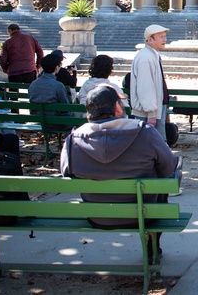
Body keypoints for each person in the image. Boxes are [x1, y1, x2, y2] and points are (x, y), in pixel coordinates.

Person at [60, 85, 179, 260]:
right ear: (116, 107)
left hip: (98, 215)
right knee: (164, 182)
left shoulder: (73, 140)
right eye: (121, 102)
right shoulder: (144, 132)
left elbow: (66, 172)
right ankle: (153, 246)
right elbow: (168, 166)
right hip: (143, 214)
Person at [131, 25, 171, 142]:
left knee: (156, 144)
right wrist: (151, 113)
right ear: (150, 40)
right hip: (148, 112)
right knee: (154, 145)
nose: (164, 40)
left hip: (154, 108)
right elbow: (146, 87)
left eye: (164, 36)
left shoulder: (151, 55)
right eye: (161, 37)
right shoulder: (146, 58)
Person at [28, 52, 73, 129]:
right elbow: (65, 108)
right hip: (56, 122)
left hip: (39, 121)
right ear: (56, 67)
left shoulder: (33, 84)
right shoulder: (58, 85)